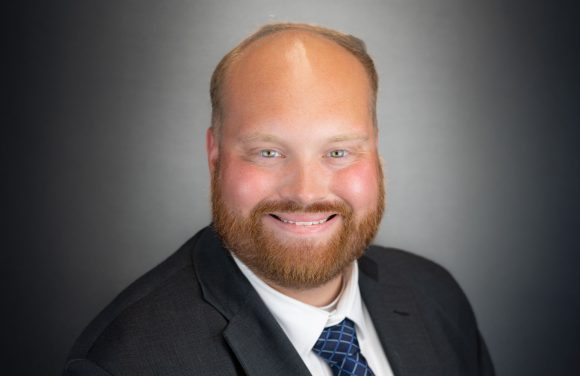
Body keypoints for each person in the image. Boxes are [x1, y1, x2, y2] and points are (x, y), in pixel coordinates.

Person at [64, 23, 494, 376]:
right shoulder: (125, 363)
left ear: (376, 150)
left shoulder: (437, 299)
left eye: (338, 152)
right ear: (214, 155)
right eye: (268, 152)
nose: (305, 192)